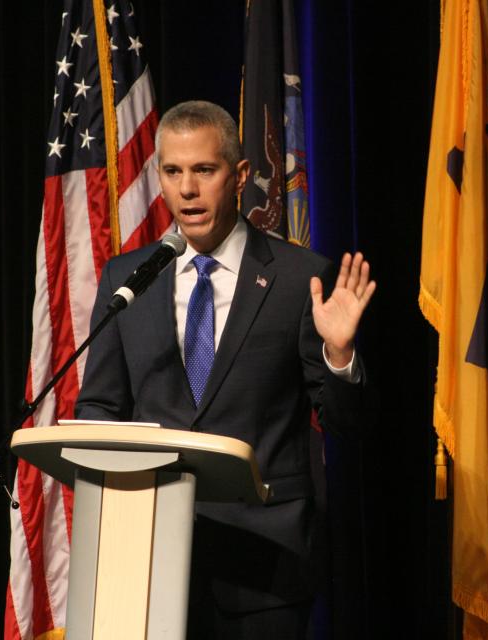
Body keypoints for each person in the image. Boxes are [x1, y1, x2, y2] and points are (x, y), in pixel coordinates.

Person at [75, 100, 375, 639]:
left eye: (203, 170)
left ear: (238, 177)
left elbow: (346, 423)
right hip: (147, 560)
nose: (186, 189)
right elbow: (99, 406)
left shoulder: (298, 278)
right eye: (172, 171)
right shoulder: (128, 279)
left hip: (264, 566)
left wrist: (339, 356)